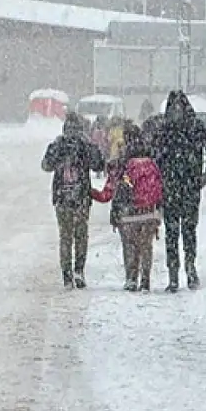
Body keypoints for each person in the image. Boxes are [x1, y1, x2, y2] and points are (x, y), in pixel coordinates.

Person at [151, 90, 206, 292]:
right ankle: (179, 273)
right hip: (177, 188)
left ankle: (185, 271)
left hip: (182, 188)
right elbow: (155, 160)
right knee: (177, 233)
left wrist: (205, 176)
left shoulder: (180, 129)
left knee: (183, 232)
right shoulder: (172, 130)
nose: (176, 111)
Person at [90, 125, 164, 292]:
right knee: (146, 246)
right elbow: (161, 188)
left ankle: (131, 278)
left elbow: (107, 193)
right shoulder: (152, 162)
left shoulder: (120, 164)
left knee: (129, 245)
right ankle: (145, 279)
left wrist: (91, 193)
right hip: (149, 211)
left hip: (127, 212)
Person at [41, 112, 105, 289]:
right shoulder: (85, 146)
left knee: (65, 236)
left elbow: (46, 165)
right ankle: (79, 270)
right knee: (81, 235)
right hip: (81, 197)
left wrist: (56, 151)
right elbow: (99, 164)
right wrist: (90, 147)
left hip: (62, 197)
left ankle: (67, 275)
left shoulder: (58, 145)